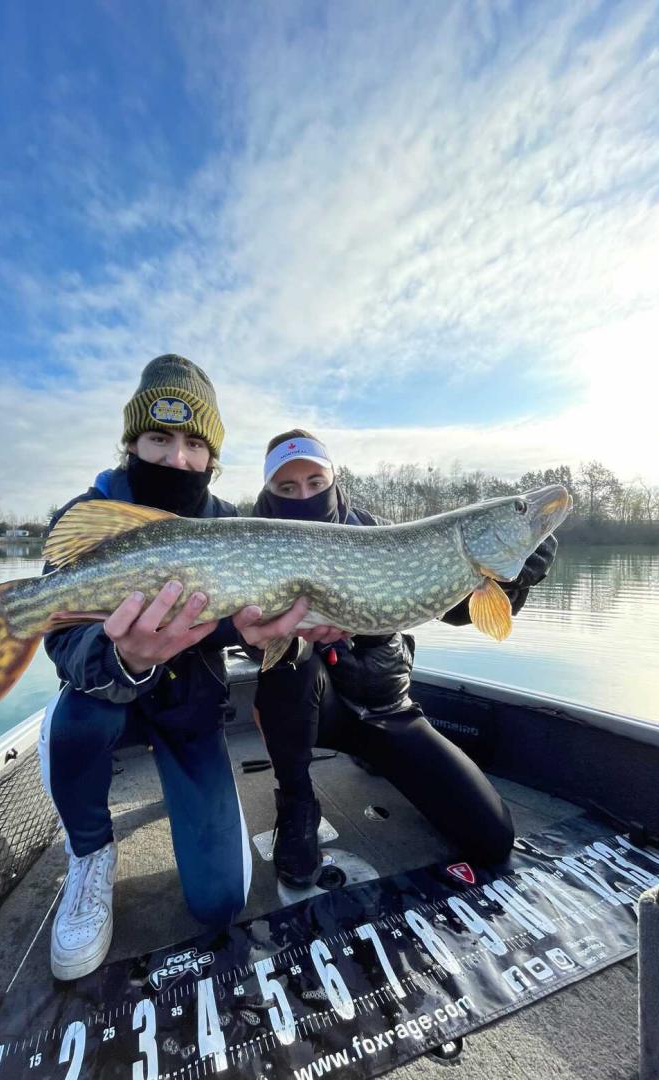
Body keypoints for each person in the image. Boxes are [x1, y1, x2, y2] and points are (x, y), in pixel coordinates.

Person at [39, 356, 313, 980]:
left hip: (189, 709)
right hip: (102, 703)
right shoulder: (87, 517)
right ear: (132, 441)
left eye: (194, 444)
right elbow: (61, 642)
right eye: (158, 438)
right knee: (78, 717)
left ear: (213, 455)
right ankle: (89, 853)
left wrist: (274, 639)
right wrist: (125, 656)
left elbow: (255, 633)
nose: (176, 459)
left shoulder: (234, 529)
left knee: (220, 902)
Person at [251, 429, 557, 888]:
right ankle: (296, 801)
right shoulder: (256, 544)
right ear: (270, 494)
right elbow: (236, 635)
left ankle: (380, 756)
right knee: (290, 664)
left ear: (333, 479)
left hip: (386, 709)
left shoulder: (377, 532)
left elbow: (457, 610)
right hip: (313, 713)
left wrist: (515, 582)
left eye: (315, 481)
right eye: (287, 488)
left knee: (492, 837)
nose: (305, 494)